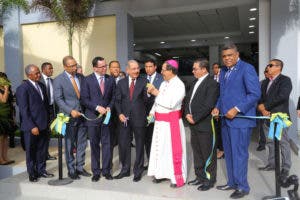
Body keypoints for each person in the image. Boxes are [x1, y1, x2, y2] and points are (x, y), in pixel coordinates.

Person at [211, 43, 261, 199]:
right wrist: (217, 107)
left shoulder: (247, 69)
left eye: (230, 55)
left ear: (237, 54)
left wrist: (237, 108)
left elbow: (254, 94)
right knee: (230, 153)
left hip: (240, 120)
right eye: (224, 56)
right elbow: (222, 94)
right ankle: (232, 182)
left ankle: (243, 187)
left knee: (239, 154)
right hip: (226, 120)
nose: (227, 59)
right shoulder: (224, 71)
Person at [147, 59, 187, 188]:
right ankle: (160, 174)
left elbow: (171, 103)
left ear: (171, 70)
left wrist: (155, 92)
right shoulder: (164, 83)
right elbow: (157, 101)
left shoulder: (179, 85)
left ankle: (175, 178)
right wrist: (152, 112)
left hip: (172, 124)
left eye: (163, 69)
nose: (161, 72)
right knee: (160, 150)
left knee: (172, 151)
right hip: (160, 123)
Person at [53, 56, 91, 180]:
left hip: (83, 115)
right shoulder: (58, 80)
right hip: (69, 116)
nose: (75, 67)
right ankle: (71, 169)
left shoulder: (81, 77)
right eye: (71, 66)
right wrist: (70, 110)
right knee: (69, 144)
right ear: (65, 67)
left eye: (75, 65)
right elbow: (58, 99)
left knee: (82, 143)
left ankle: (80, 167)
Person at [185, 59, 219, 191]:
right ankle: (199, 176)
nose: (193, 71)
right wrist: (188, 114)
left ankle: (209, 179)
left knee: (207, 153)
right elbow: (188, 100)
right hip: (193, 123)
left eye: (195, 68)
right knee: (197, 152)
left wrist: (196, 117)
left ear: (204, 69)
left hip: (204, 124)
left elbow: (209, 104)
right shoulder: (194, 82)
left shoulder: (212, 83)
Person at [16, 64, 54, 182]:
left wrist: (49, 122)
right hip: (31, 127)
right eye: (36, 73)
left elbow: (46, 106)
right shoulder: (23, 88)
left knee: (42, 150)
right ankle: (32, 173)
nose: (39, 75)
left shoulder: (41, 86)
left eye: (38, 72)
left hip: (43, 125)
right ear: (29, 75)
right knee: (31, 151)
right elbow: (24, 110)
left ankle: (41, 170)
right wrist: (32, 126)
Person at [80, 57, 116, 182]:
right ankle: (96, 171)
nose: (105, 68)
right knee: (94, 145)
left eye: (105, 66)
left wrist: (109, 107)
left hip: (107, 118)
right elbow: (84, 99)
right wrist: (96, 107)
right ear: (95, 68)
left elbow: (113, 97)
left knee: (107, 145)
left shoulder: (110, 79)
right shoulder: (86, 80)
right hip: (92, 118)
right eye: (102, 67)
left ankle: (106, 171)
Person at [258, 59, 292, 178]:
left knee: (283, 142)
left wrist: (265, 107)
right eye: (268, 65)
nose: (268, 67)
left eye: (271, 65)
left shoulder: (285, 80)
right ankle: (272, 164)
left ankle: (286, 167)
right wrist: (262, 109)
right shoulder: (266, 82)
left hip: (279, 117)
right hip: (267, 118)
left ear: (279, 67)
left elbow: (282, 97)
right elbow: (260, 97)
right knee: (270, 142)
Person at [114, 60, 148, 182]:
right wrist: (120, 114)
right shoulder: (121, 83)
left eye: (138, 68)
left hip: (140, 119)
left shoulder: (144, 82)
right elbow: (117, 101)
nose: (136, 71)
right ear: (127, 70)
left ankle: (138, 171)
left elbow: (147, 101)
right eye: (133, 69)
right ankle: (125, 170)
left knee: (139, 145)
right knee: (123, 144)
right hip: (124, 119)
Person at [144, 59, 163, 165]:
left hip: (158, 111)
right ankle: (150, 161)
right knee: (147, 138)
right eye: (146, 66)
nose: (148, 68)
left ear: (155, 67)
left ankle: (158, 162)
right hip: (145, 113)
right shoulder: (142, 79)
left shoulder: (162, 79)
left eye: (150, 66)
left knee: (157, 138)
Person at [39, 62, 57, 160]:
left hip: (51, 110)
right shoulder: (38, 80)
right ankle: (41, 154)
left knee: (48, 133)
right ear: (44, 69)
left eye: (52, 68)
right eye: (50, 68)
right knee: (41, 134)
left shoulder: (53, 81)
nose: (52, 70)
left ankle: (46, 154)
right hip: (41, 111)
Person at [108, 60, 121, 170]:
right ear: (109, 69)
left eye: (118, 67)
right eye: (113, 67)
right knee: (110, 142)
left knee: (123, 140)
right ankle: (109, 163)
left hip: (122, 116)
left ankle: (123, 163)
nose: (116, 69)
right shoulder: (106, 80)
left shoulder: (124, 81)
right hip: (110, 117)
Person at [0, 73, 15, 165]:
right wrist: (6, 89)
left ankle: (5, 157)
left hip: (8, 115)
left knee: (6, 137)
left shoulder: (7, 89)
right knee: (1, 138)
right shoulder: (3, 89)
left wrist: (12, 116)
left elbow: (11, 102)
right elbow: (3, 100)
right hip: (1, 116)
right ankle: (0, 159)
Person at [211, 63, 224, 159]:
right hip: (212, 108)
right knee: (213, 130)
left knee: (221, 130)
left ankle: (222, 150)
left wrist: (218, 108)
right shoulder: (211, 79)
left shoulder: (224, 79)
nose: (216, 69)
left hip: (221, 109)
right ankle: (215, 148)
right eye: (214, 68)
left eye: (218, 67)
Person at [256, 68, 270, 152]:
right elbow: (257, 96)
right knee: (261, 127)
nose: (266, 74)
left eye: (267, 72)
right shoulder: (261, 83)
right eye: (265, 73)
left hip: (272, 109)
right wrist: (261, 107)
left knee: (271, 127)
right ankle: (262, 144)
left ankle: (274, 143)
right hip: (261, 109)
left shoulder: (276, 82)